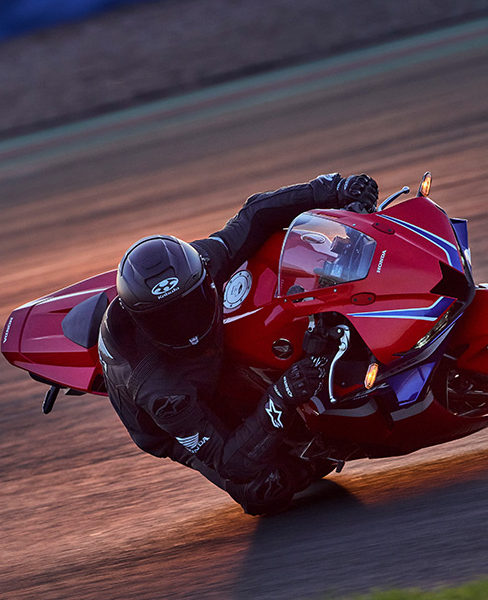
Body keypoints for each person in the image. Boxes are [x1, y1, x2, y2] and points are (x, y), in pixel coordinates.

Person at [97, 173, 379, 515]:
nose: (185, 323)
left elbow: (253, 216)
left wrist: (334, 189)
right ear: (143, 324)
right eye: (167, 320)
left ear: (201, 277)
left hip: (212, 356)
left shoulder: (197, 265)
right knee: (261, 488)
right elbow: (231, 462)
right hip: (178, 419)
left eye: (192, 303)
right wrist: (282, 395)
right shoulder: (164, 393)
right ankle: (312, 457)